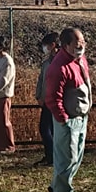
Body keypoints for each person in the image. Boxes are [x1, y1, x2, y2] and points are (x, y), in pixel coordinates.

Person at [45, 27, 91, 192]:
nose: (82, 46)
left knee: (76, 157)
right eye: (78, 43)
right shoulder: (59, 67)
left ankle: (58, 185)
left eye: (83, 42)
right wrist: (63, 118)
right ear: (66, 45)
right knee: (66, 158)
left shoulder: (80, 60)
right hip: (68, 120)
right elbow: (52, 97)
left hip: (81, 116)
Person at [34, 31, 60, 166]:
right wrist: (38, 95)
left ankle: (53, 156)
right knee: (45, 129)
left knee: (49, 130)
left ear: (53, 45)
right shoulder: (46, 63)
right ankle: (49, 155)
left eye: (46, 45)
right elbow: (41, 79)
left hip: (56, 102)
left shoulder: (61, 62)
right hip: (46, 101)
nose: (44, 48)